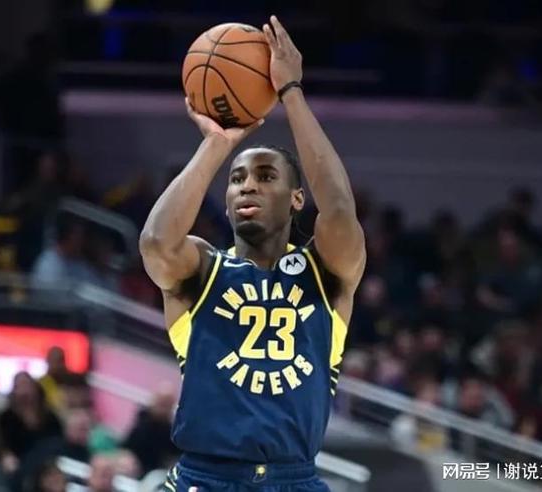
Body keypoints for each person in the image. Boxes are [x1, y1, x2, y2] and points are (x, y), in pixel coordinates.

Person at [139, 16, 365, 492]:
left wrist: (291, 92)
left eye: (265, 176)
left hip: (294, 478)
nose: (247, 186)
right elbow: (156, 243)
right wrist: (217, 145)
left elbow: (340, 210)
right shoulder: (203, 269)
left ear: (297, 198)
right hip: (205, 477)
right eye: (237, 179)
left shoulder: (324, 273)